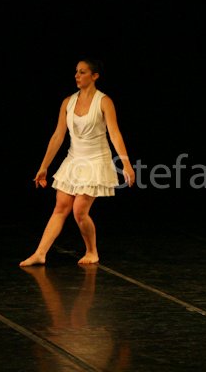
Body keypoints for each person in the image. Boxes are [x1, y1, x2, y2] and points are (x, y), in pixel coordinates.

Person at [20, 58, 135, 267]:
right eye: (76, 72)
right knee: (60, 207)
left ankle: (92, 251)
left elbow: (115, 134)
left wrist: (126, 164)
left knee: (79, 210)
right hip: (74, 159)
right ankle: (40, 253)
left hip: (96, 160)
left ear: (95, 76)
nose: (77, 76)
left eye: (82, 72)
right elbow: (58, 136)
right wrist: (44, 166)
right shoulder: (68, 102)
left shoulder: (104, 102)